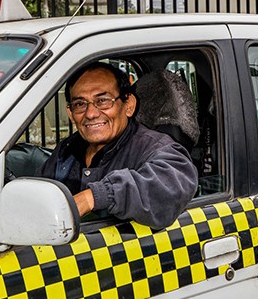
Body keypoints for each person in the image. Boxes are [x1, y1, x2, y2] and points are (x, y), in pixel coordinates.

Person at [37, 62, 198, 229]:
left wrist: (94, 197)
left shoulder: (156, 147)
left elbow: (172, 183)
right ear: (70, 114)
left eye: (103, 101)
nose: (91, 113)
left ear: (128, 105)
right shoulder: (68, 148)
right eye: (80, 104)